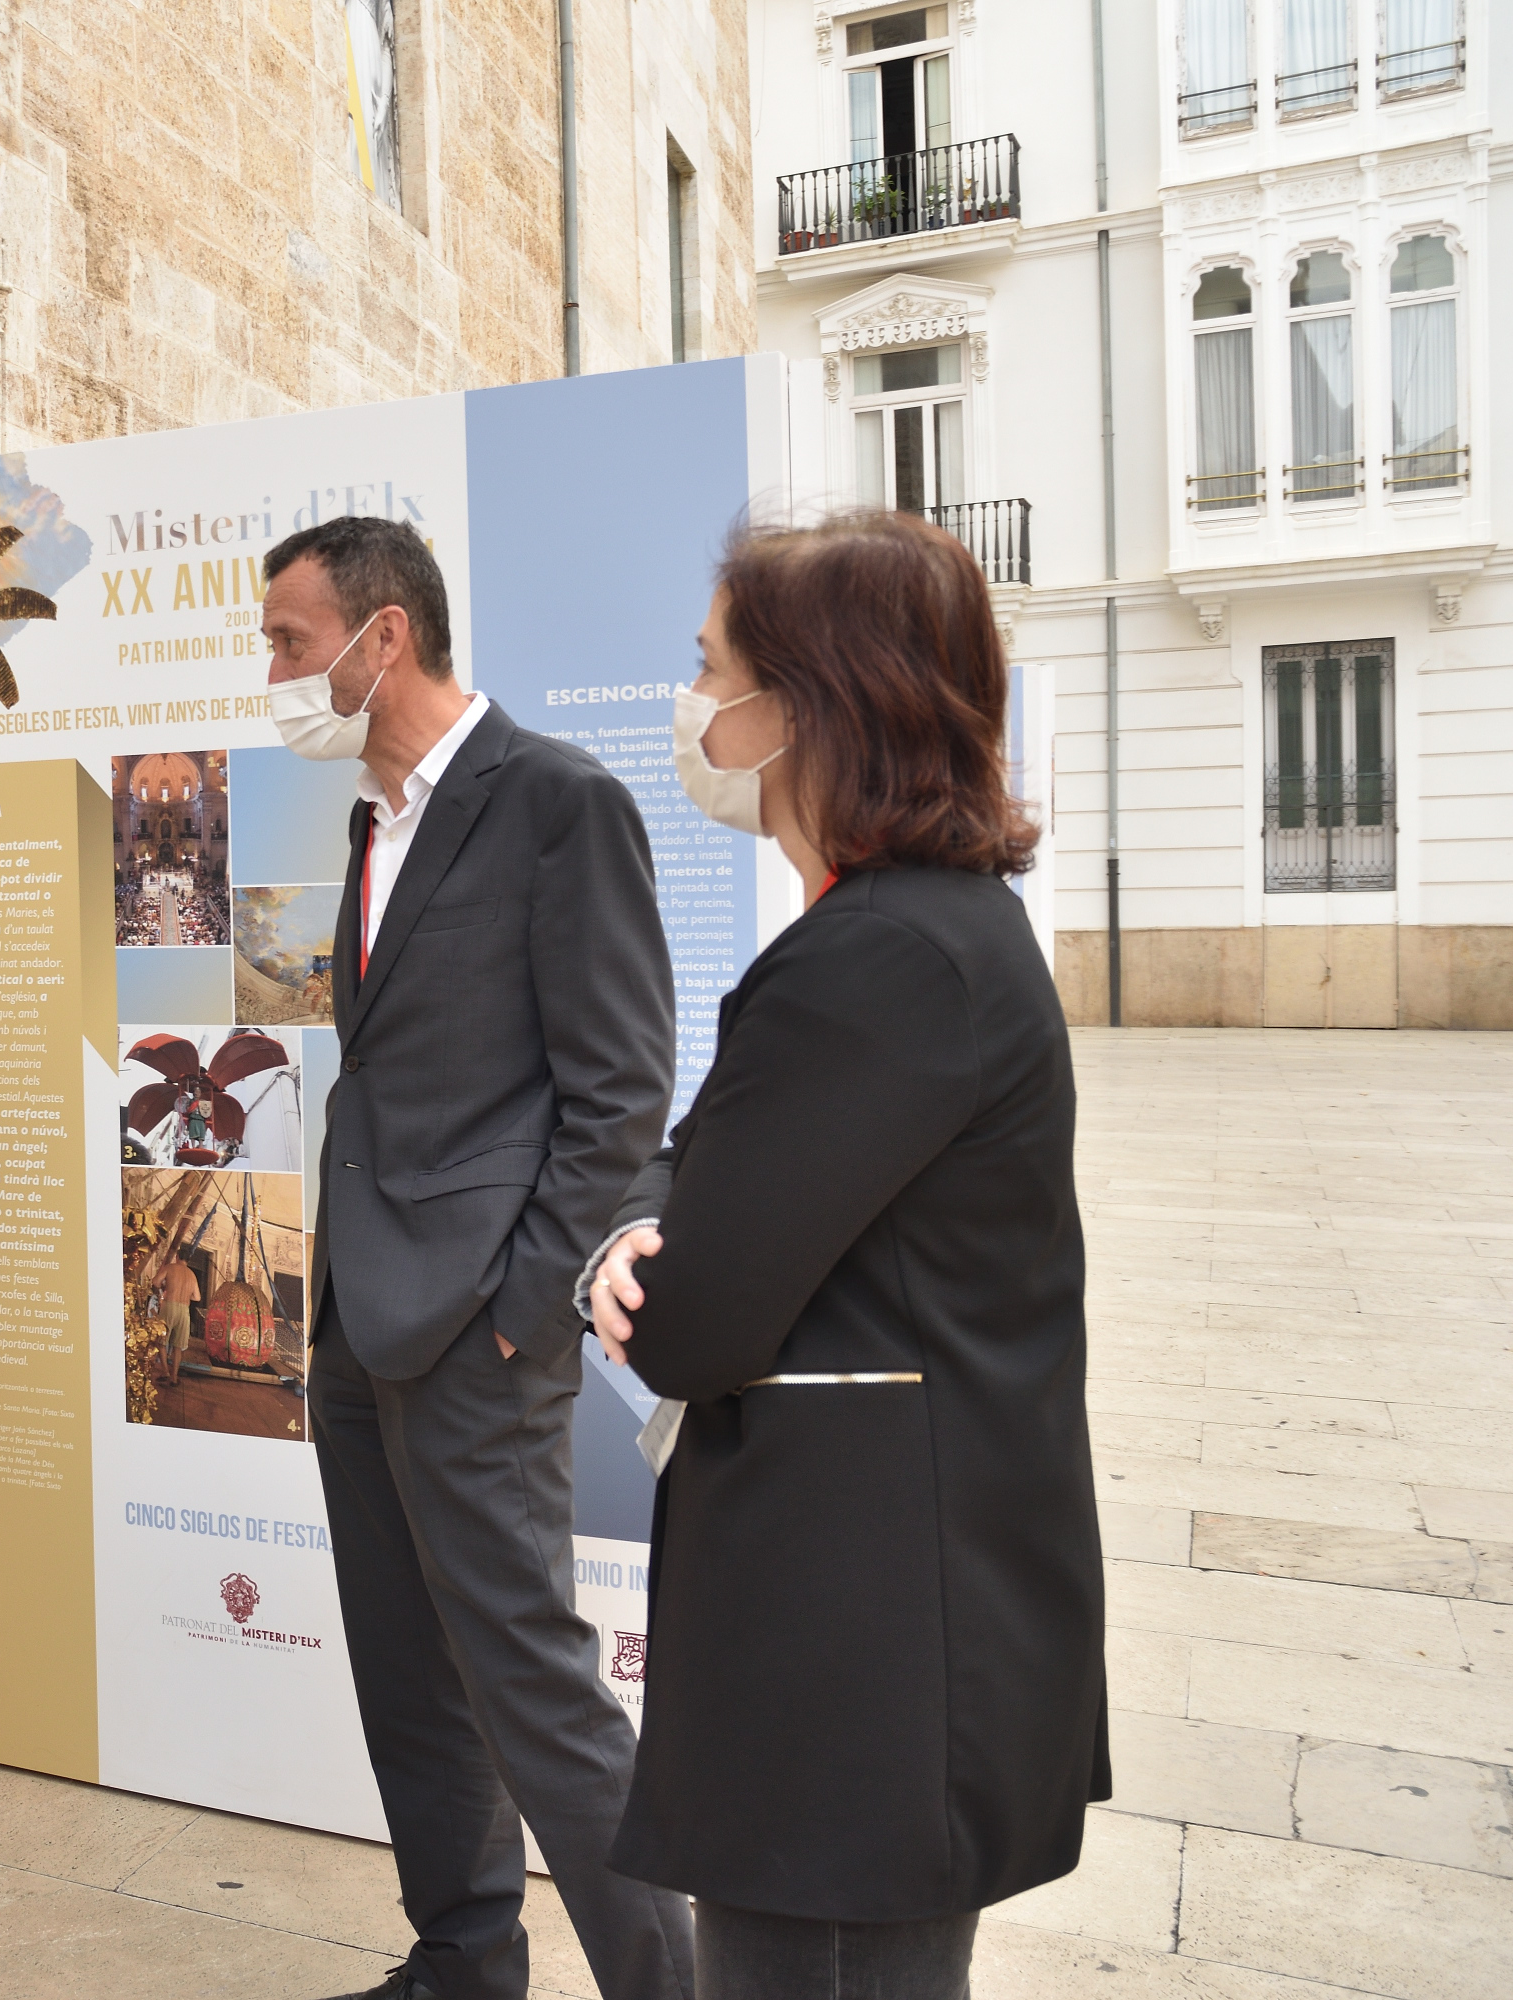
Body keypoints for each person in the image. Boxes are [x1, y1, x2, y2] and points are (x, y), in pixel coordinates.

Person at [583, 511, 1106, 1999]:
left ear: (805, 708)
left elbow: (690, 1318)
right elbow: (722, 1162)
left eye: (712, 673)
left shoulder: (877, 960)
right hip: (896, 1626)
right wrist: (658, 1215)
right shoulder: (931, 934)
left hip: (852, 1657)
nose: (694, 708)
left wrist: (637, 1255)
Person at [262, 516, 690, 2000]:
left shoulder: (556, 800)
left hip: (474, 1338)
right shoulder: (378, 817)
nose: (274, 669)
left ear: (384, 640)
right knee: (407, 1672)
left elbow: (622, 1088)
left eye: (290, 640)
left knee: (533, 1693)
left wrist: (521, 1315)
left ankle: (666, 1980)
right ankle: (463, 1958)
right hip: (359, 1327)